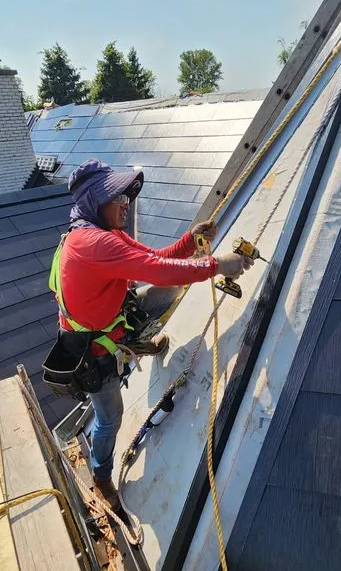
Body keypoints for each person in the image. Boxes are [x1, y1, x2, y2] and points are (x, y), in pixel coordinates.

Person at [54, 159, 251, 511]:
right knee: (109, 418)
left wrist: (191, 241)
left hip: (111, 319)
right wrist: (217, 265)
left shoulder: (102, 234)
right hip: (92, 348)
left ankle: (133, 343)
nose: (127, 203)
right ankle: (101, 475)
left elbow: (155, 258)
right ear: (96, 201)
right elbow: (158, 271)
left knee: (165, 295)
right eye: (118, 196)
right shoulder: (95, 244)